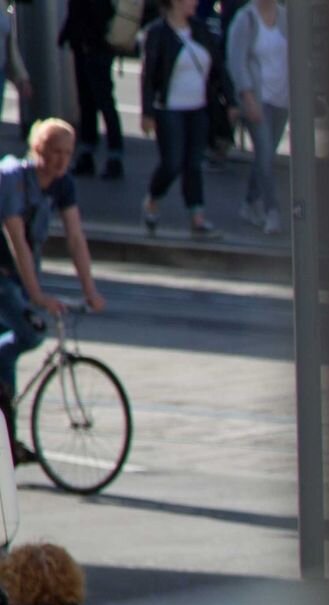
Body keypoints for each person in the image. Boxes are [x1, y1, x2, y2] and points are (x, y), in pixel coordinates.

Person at [0, 119, 106, 464]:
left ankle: (7, 444)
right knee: (29, 333)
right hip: (3, 273)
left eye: (68, 154)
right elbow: (17, 242)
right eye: (55, 152)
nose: (62, 161)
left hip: (16, 276)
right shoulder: (13, 181)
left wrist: (90, 290)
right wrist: (37, 296)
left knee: (7, 358)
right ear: (38, 150)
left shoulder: (62, 185)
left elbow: (75, 238)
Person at [140, 0, 237, 238]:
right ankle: (153, 198)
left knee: (193, 164)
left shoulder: (200, 29)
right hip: (169, 109)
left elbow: (218, 66)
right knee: (172, 163)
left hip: (198, 109)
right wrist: (147, 113)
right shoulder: (157, 32)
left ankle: (197, 217)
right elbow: (149, 75)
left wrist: (231, 100)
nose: (195, 3)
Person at [228, 0, 288, 235]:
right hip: (258, 98)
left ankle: (250, 201)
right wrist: (247, 97)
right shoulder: (246, 19)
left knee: (267, 155)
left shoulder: (285, 17)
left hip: (282, 98)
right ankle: (273, 210)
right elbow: (236, 61)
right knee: (264, 154)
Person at [58, 0, 125, 180]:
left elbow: (81, 14)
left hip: (92, 47)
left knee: (99, 102)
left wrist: (67, 36)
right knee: (94, 102)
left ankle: (108, 154)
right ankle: (98, 153)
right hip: (91, 47)